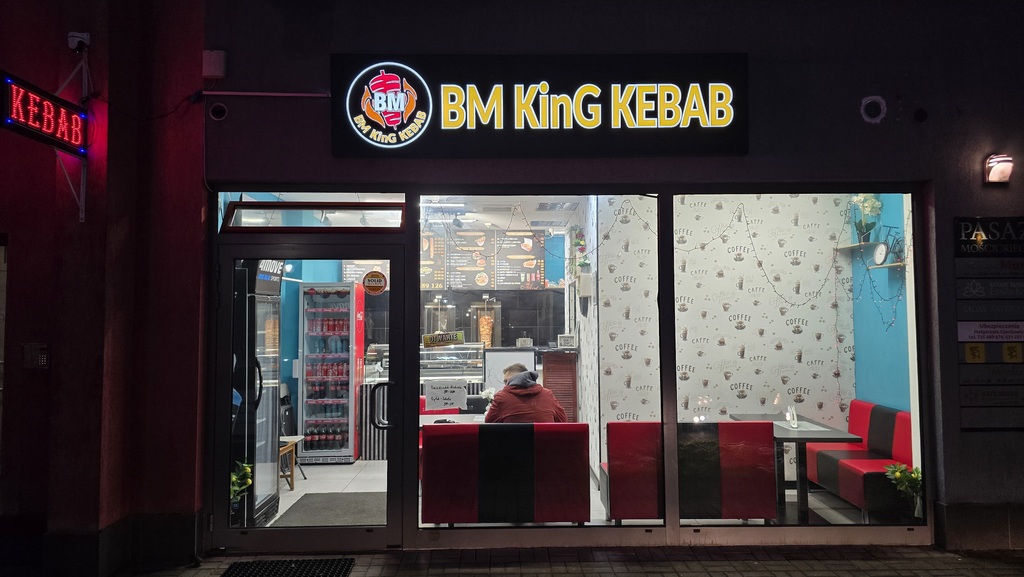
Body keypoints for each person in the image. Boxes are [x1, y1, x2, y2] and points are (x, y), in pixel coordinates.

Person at [485, 363, 567, 423]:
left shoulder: (501, 397)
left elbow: (488, 426)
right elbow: (563, 421)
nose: (506, 385)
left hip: (512, 442)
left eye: (508, 381)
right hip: (544, 442)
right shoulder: (547, 395)